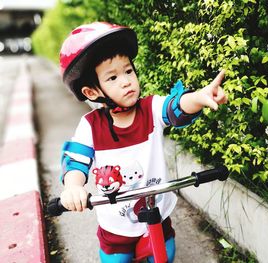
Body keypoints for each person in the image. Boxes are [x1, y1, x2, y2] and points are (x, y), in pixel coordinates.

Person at [58, 21, 227, 263]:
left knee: (165, 255)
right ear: (92, 92)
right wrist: (73, 187)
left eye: (128, 71)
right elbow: (76, 161)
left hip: (157, 214)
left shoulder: (151, 109)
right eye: (113, 77)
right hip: (116, 226)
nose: (127, 81)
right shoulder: (90, 126)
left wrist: (199, 98)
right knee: (116, 261)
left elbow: (175, 107)